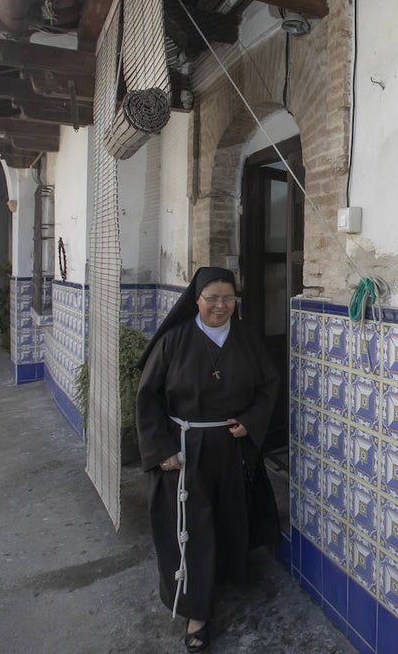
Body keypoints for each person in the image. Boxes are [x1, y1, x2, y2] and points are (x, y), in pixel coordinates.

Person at [135, 267, 279, 652]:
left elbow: (268, 384)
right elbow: (147, 397)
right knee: (191, 529)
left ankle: (225, 577)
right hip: (184, 450)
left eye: (228, 298)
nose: (220, 306)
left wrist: (250, 423)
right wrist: (161, 449)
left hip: (230, 448)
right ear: (196, 300)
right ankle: (195, 614)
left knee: (230, 517)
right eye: (212, 298)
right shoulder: (174, 340)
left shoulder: (247, 339)